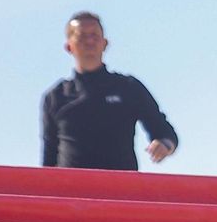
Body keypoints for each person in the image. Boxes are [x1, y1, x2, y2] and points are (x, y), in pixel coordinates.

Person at [42, 12, 179, 171]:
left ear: (105, 43)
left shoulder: (128, 87)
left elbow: (166, 134)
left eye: (94, 35)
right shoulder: (55, 97)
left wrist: (164, 145)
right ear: (68, 46)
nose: (89, 41)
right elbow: (48, 160)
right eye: (81, 36)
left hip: (121, 189)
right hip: (71, 190)